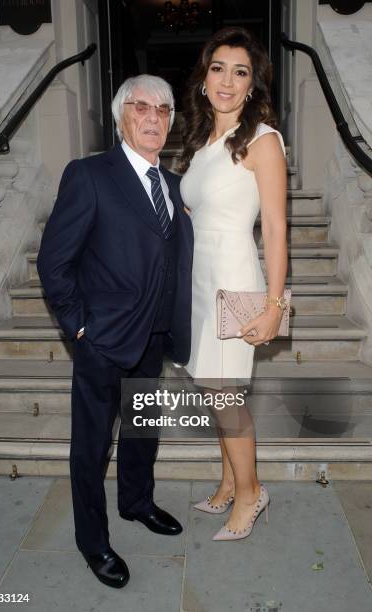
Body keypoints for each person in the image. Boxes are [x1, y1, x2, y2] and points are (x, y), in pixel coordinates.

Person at [37, 75, 193, 587]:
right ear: (120, 115)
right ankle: (94, 541)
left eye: (164, 109)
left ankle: (137, 502)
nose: (154, 117)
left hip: (153, 338)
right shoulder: (89, 175)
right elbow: (55, 262)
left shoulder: (171, 184)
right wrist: (79, 325)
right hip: (102, 340)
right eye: (141, 106)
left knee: (142, 431)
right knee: (91, 445)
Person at [179, 27, 288, 540]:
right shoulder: (202, 142)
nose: (227, 80)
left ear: (252, 85)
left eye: (240, 72)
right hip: (200, 283)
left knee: (227, 397)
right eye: (218, 68)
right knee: (212, 390)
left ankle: (251, 495)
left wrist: (273, 306)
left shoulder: (262, 140)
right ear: (204, 79)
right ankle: (227, 483)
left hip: (235, 282)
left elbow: (276, 227)